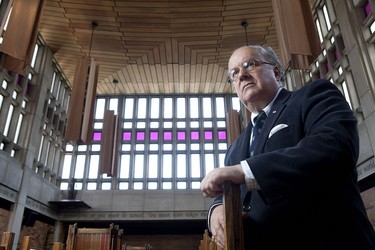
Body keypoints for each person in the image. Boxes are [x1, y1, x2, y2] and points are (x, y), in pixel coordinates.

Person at [200, 45, 375, 249]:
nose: (242, 75)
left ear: (275, 72)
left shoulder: (312, 95)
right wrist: (216, 210)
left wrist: (246, 170)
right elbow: (228, 190)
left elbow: (334, 148)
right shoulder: (236, 147)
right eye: (234, 73)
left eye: (249, 65)